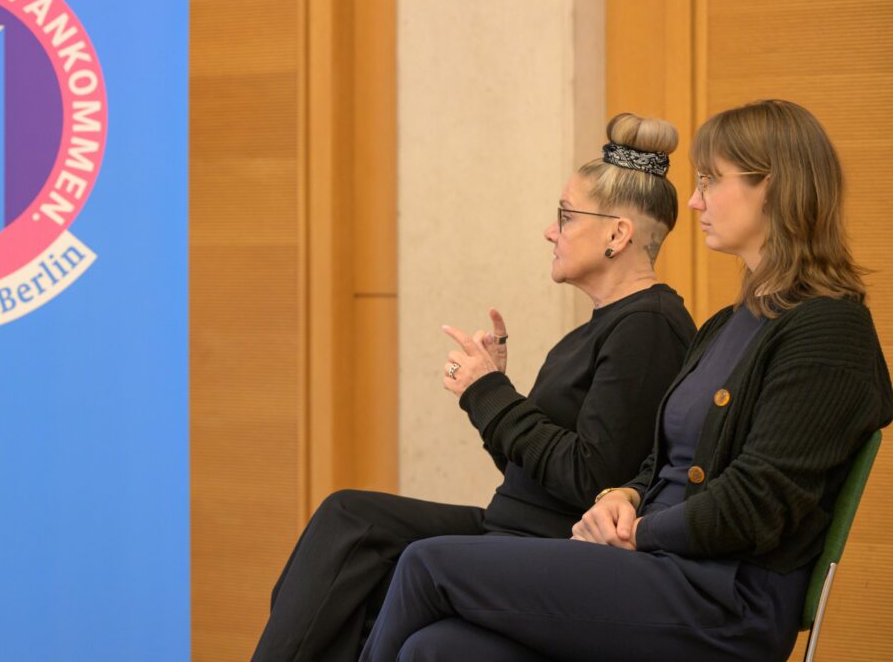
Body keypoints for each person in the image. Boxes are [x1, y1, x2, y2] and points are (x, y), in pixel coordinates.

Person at [358, 99, 893, 662]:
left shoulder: (829, 331)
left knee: (427, 564)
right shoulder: (728, 323)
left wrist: (639, 531)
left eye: (711, 180)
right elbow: (664, 460)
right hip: (665, 569)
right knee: (438, 647)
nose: (695, 200)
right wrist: (627, 494)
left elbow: (756, 501)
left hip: (724, 599)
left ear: (773, 187)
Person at [252, 114, 698, 662]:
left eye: (565, 215)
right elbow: (532, 471)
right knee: (349, 522)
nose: (551, 231)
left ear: (617, 234)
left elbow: (592, 478)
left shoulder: (648, 327)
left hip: (546, 547)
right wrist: (490, 397)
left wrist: (493, 397)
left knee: (374, 577)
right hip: (510, 524)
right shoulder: (606, 326)